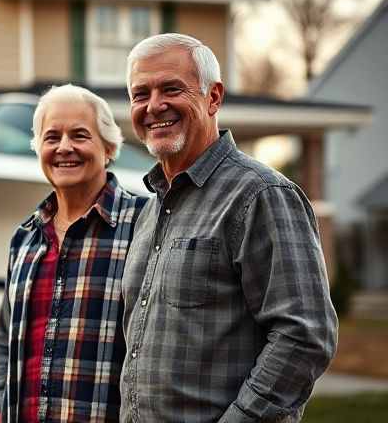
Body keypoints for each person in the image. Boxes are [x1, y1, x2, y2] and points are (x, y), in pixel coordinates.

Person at [119, 33, 338, 423]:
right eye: (141, 94)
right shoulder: (151, 211)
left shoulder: (261, 195)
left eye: (172, 88)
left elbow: (304, 337)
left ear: (214, 97)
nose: (154, 106)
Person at [0, 84, 147, 422]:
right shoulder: (25, 238)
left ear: (108, 147)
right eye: (51, 137)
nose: (64, 147)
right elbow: (5, 341)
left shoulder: (146, 224)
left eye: (79, 135)